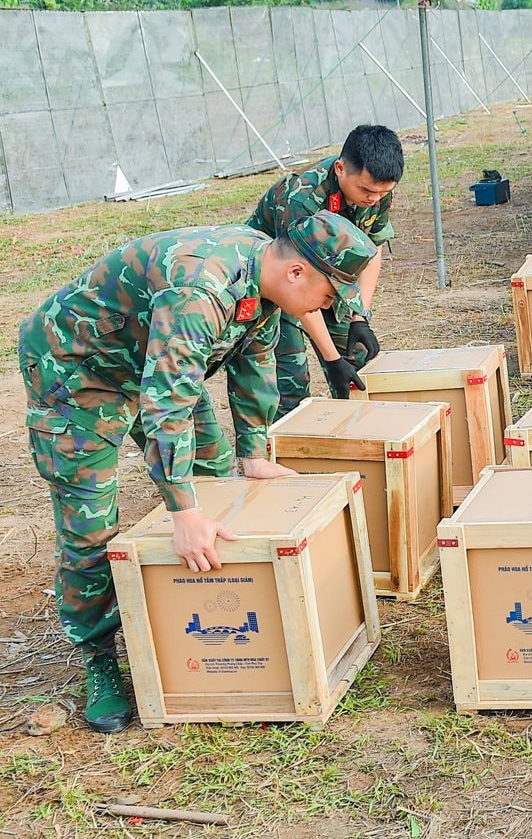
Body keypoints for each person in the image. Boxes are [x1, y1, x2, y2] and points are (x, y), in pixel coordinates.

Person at [21, 212, 380, 732]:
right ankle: (99, 657)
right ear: (297, 272)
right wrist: (183, 510)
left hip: (150, 360)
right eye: (328, 296)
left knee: (215, 473)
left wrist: (253, 452)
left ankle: (196, 615)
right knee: (91, 525)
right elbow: (167, 403)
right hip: (78, 371)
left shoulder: (266, 275)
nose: (327, 308)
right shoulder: (200, 291)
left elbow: (255, 361)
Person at [247, 124, 401, 414]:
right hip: (279, 284)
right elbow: (298, 283)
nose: (374, 199)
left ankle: (355, 431)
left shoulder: (377, 190)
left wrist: (360, 317)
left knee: (358, 361)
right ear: (340, 169)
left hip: (327, 276)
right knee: (291, 384)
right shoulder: (302, 198)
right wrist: (331, 360)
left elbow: (372, 247)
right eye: (367, 190)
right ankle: (287, 438)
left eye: (383, 193)